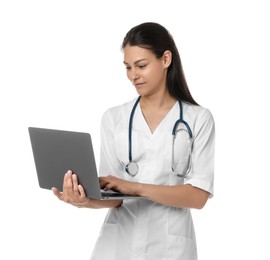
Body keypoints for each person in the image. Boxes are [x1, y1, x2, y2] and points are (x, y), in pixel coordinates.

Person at [52, 22, 215, 260]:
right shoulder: (113, 118)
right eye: (127, 67)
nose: (133, 75)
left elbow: (198, 197)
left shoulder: (198, 119)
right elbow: (113, 198)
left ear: (166, 59)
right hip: (118, 245)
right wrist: (85, 201)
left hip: (170, 245)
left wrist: (135, 187)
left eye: (141, 66)